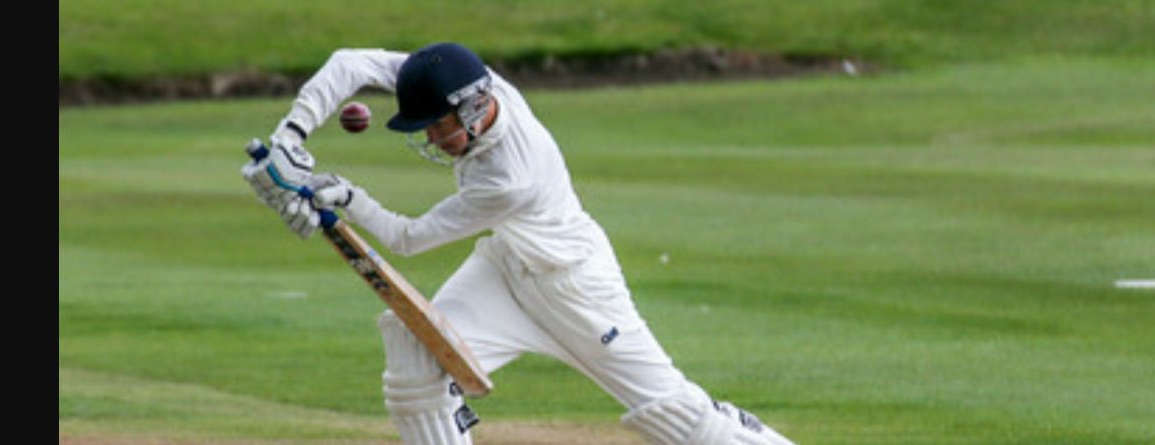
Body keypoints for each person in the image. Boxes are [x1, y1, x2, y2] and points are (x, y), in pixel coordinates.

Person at [241, 42, 794, 445]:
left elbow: (407, 238)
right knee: (414, 350)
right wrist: (293, 134)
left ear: (475, 108)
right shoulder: (471, 82)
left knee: (674, 415)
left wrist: (343, 195)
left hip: (576, 287)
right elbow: (349, 62)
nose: (433, 138)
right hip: (508, 267)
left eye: (438, 126)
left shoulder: (510, 178)